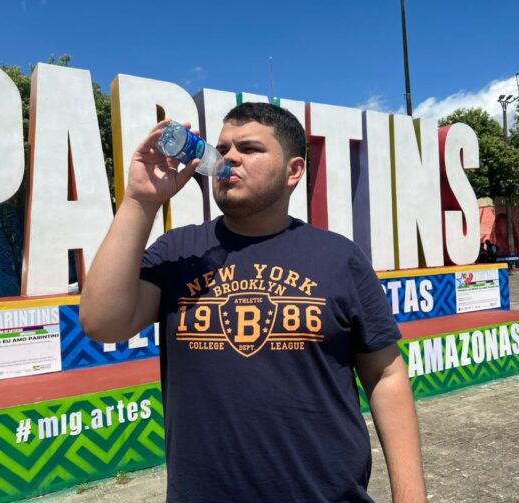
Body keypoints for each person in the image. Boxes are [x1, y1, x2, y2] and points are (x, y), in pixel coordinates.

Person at [80, 103, 426, 502]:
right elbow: (101, 322)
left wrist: (411, 496)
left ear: (293, 171)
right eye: (223, 147)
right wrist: (140, 201)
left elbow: (386, 376)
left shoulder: (338, 257)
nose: (229, 157)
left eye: (249, 148)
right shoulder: (178, 251)